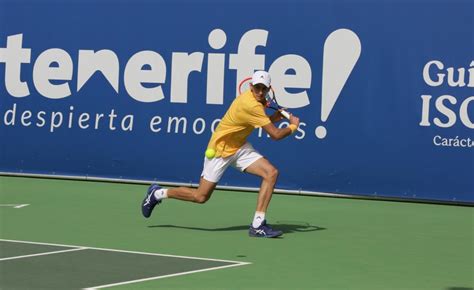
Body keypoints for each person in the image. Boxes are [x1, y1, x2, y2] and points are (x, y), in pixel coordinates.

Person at [141, 71, 300, 238]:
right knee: (200, 197)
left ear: (269, 89)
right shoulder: (251, 105)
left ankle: (258, 224)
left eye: (264, 88)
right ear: (250, 86)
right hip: (220, 150)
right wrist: (293, 126)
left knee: (271, 173)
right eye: (257, 88)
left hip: (239, 147)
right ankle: (158, 193)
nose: (260, 92)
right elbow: (275, 135)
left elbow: (255, 122)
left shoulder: (257, 102)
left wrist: (274, 117)